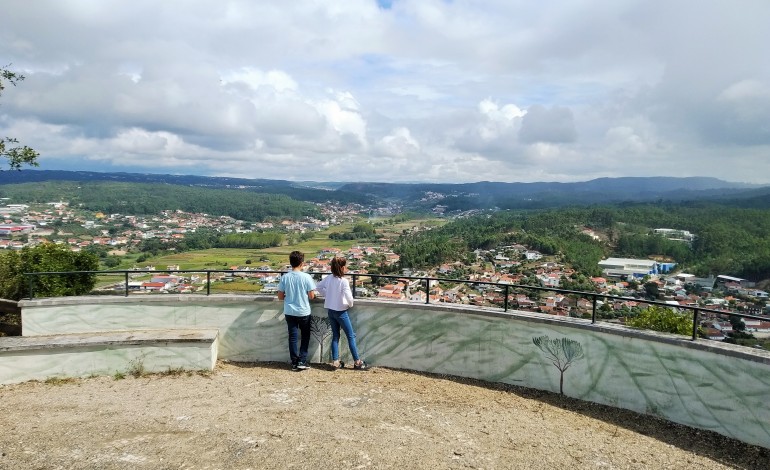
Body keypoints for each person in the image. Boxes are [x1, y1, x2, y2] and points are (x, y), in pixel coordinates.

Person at [315, 257, 367, 370]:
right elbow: (349, 297)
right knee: (350, 335)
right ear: (342, 268)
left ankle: (336, 362)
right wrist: (350, 304)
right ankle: (357, 362)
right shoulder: (343, 281)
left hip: (330, 310)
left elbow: (318, 287)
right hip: (341, 312)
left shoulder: (329, 278)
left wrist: (327, 294)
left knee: (335, 336)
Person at [277, 250, 316, 371]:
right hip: (303, 311)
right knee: (305, 336)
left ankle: (294, 362)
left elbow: (280, 296)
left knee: (292, 337)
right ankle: (302, 361)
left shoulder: (285, 277)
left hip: (289, 311)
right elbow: (311, 296)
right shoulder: (306, 277)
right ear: (302, 263)